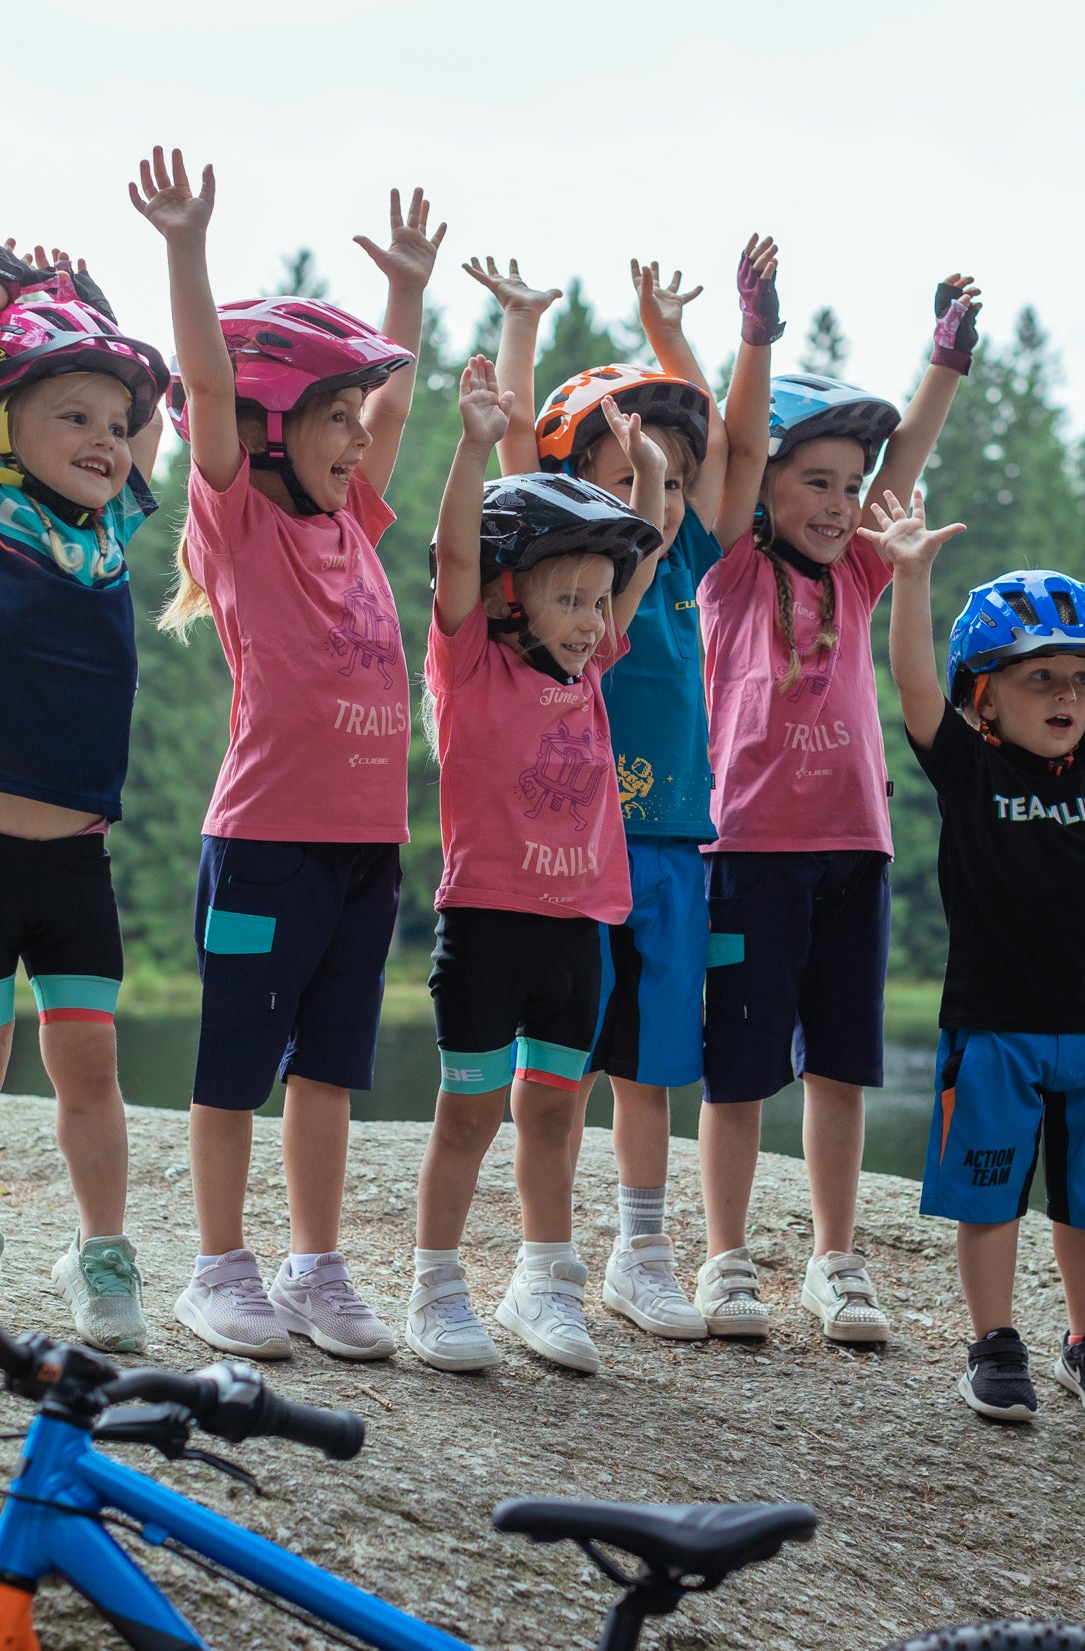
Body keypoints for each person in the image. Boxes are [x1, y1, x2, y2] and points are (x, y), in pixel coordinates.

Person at [131, 146, 442, 1363]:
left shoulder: (352, 518)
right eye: (331, 420)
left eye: (356, 423)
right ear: (271, 431)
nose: (356, 441)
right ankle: (219, 1269)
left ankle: (316, 1267)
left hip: (367, 849)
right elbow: (205, 389)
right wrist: (185, 249)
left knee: (329, 1070)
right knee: (233, 1071)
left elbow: (399, 409)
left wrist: (404, 296)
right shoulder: (244, 517)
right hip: (263, 847)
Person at [462, 240, 776, 1341]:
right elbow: (509, 446)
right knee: (561, 1059)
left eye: (675, 478)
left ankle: (642, 1249)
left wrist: (695, 336)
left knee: (651, 1057)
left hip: (674, 840)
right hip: (569, 853)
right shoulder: (565, 580)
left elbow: (735, 445)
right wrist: (522, 323)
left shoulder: (682, 561)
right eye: (634, 471)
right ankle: (539, 1258)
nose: (664, 493)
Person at [879, 484, 1085, 1425]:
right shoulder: (968, 762)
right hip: (994, 1026)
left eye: (1078, 678)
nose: (1067, 696)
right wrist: (910, 578)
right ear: (983, 698)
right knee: (990, 1196)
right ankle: (991, 1339)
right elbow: (909, 683)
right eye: (1040, 679)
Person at [692, 271, 982, 1343]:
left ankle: (832, 1258)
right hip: (747, 851)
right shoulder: (723, 568)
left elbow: (904, 466)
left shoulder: (859, 572)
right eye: (812, 480)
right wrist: (752, 335)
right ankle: (726, 1256)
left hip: (852, 848)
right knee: (737, 1071)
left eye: (845, 486)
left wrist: (941, 360)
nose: (835, 502)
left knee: (842, 1065)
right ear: (764, 485)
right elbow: (726, 447)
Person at [0, 231, 171, 1352]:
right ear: (5, 419)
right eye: (74, 416)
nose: (106, 442)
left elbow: (156, 410)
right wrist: (7, 285)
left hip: (74, 859)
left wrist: (91, 306)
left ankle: (100, 1253)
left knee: (89, 1062)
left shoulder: (111, 524)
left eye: (113, 427)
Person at [405, 357, 667, 1373]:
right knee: (469, 1110)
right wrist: (473, 445)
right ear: (511, 597)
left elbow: (637, 568)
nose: (594, 621)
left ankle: (541, 1281)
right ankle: (435, 1285)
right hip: (487, 922)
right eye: (569, 599)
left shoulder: (591, 660)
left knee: (553, 1105)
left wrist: (643, 477)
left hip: (578, 927)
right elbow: (451, 557)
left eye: (598, 604)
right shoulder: (468, 659)